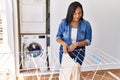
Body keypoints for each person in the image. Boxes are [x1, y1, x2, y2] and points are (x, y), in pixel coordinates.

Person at [56, 1, 92, 68]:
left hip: (79, 52)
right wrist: (64, 44)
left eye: (79, 13)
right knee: (65, 72)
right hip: (65, 50)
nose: (77, 16)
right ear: (70, 13)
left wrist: (76, 44)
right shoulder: (63, 23)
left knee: (76, 72)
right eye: (74, 14)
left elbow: (88, 41)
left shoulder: (86, 24)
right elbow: (58, 37)